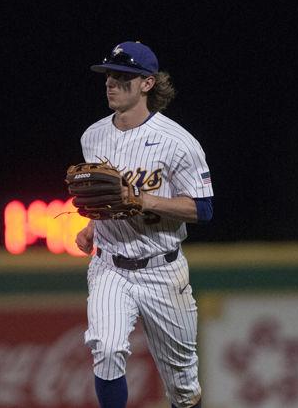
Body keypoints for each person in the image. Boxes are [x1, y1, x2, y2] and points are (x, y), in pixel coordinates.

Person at [75, 41, 214, 408]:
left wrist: (144, 199)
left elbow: (203, 209)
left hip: (162, 271)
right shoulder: (93, 136)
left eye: (123, 77)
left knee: (184, 389)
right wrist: (92, 226)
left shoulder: (178, 142)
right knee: (105, 349)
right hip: (110, 265)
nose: (110, 83)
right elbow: (104, 199)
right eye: (108, 75)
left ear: (147, 84)